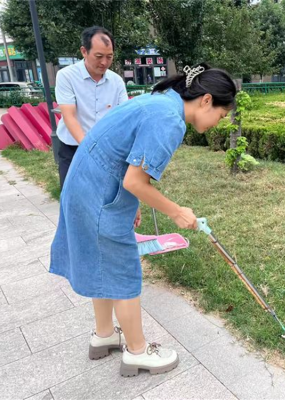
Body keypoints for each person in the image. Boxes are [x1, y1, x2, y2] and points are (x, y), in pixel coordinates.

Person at [50, 63, 237, 377]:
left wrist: (130, 202)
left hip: (85, 185)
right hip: (97, 193)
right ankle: (137, 352)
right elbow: (135, 182)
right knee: (123, 269)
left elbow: (125, 161)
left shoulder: (160, 102)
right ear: (206, 100)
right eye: (220, 115)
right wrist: (177, 212)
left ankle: (104, 334)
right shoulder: (168, 119)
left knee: (101, 262)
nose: (218, 123)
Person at [55, 26, 128, 188]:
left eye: (109, 57)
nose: (104, 62)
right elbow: (69, 116)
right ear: (84, 51)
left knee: (104, 199)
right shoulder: (66, 76)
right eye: (99, 56)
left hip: (107, 150)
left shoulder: (116, 81)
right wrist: (90, 148)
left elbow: (124, 117)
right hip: (73, 148)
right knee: (72, 198)